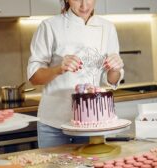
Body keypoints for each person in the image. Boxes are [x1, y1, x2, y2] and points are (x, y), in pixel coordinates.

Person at [27, 0, 124, 148]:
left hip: (91, 125)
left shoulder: (108, 27)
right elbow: (34, 77)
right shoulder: (49, 26)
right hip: (54, 123)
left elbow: (111, 80)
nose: (84, 6)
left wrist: (115, 68)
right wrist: (58, 69)